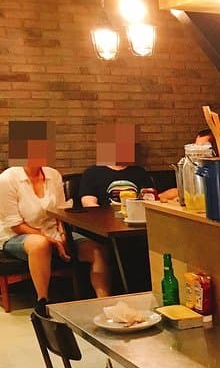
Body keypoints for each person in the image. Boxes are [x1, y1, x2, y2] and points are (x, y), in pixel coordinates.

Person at [0, 121, 110, 313]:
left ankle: (105, 303)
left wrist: (63, 234)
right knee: (39, 244)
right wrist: (51, 240)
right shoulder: (8, 178)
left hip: (53, 231)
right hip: (16, 236)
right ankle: (44, 302)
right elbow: (16, 225)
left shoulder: (53, 175)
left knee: (97, 249)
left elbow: (60, 212)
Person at [78, 123, 177, 205]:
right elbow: (88, 204)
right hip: (104, 221)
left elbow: (150, 198)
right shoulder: (92, 173)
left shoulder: (139, 172)